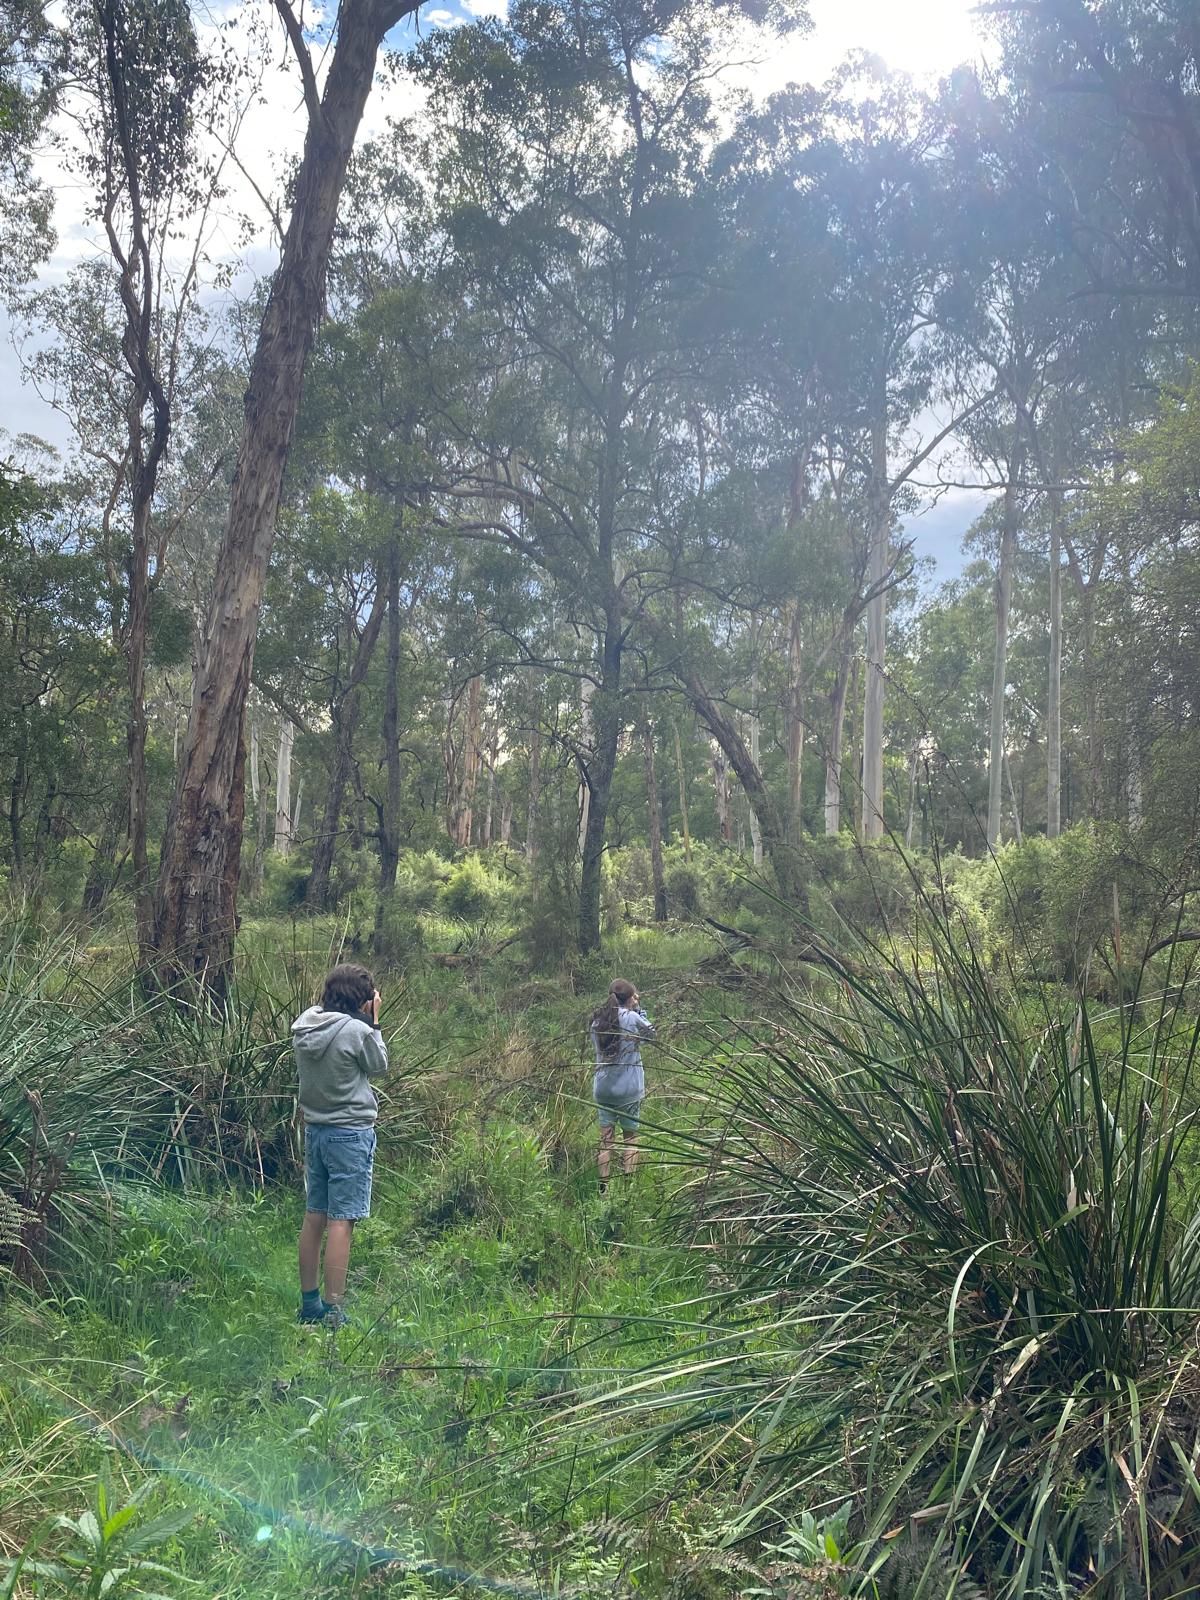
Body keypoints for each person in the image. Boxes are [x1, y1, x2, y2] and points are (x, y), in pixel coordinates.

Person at [293, 963, 388, 1328]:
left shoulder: (306, 1024)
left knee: (315, 1214)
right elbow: (379, 1065)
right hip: (349, 1134)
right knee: (341, 1222)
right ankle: (334, 1312)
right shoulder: (356, 1031)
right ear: (361, 999)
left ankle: (309, 1304)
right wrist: (374, 1021)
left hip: (315, 1129)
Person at [590, 978, 655, 1194]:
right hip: (629, 1089)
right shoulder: (633, 1017)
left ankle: (604, 1190)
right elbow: (652, 1035)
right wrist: (641, 1013)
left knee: (606, 1139)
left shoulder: (597, 1021)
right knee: (631, 1138)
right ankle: (628, 1189)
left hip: (604, 1089)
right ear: (629, 999)